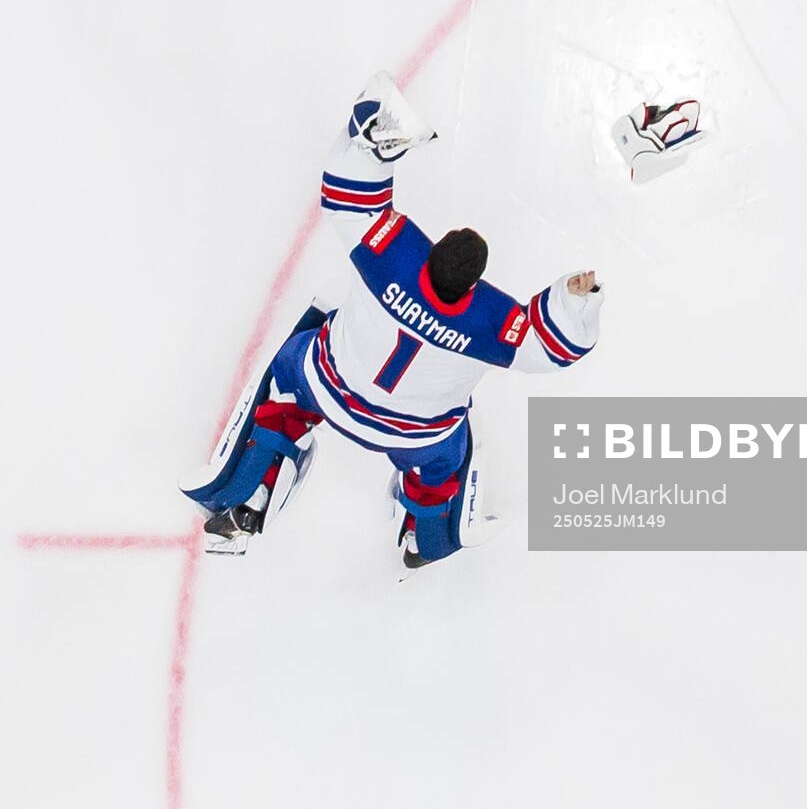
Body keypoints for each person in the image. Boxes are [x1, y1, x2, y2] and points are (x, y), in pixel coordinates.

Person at [183, 72, 603, 571]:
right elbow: (553, 349)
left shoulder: (391, 251)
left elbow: (346, 196)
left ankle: (251, 492)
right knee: (448, 457)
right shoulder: (493, 322)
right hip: (414, 435)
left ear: (431, 255)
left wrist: (375, 141)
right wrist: (573, 301)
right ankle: (424, 537)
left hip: (331, 392)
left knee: (288, 377)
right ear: (473, 286)